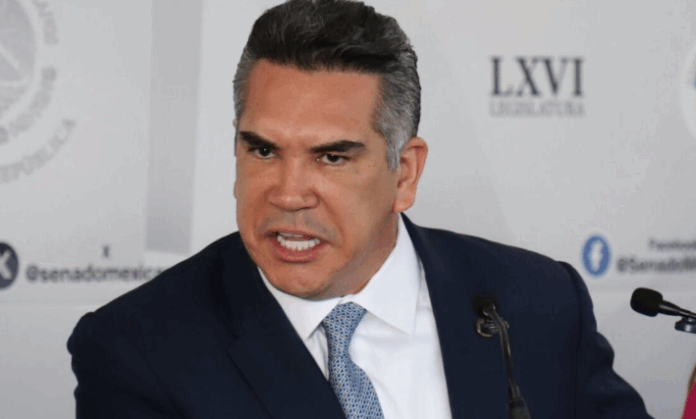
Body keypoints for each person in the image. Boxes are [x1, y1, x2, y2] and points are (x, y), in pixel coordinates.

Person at [67, 0, 654, 418]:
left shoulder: (539, 304)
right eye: (263, 150)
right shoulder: (137, 350)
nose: (288, 194)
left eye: (331, 157)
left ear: (405, 173)